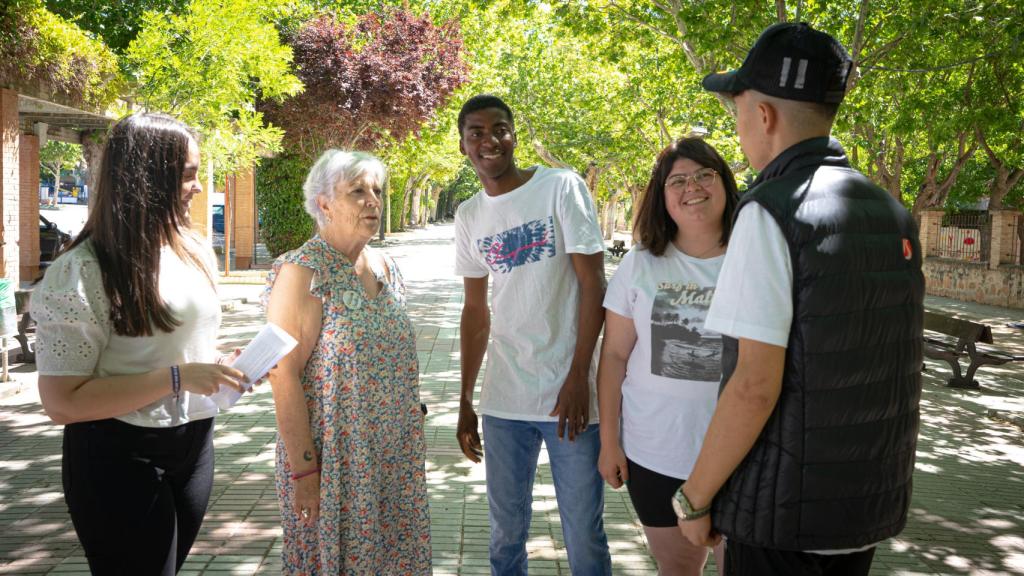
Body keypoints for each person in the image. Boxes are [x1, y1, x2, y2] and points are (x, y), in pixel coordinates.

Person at [676, 23, 924, 576]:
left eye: (736, 109)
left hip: (782, 519)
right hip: (864, 506)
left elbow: (754, 386)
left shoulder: (770, 212)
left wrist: (693, 497)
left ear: (763, 115)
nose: (736, 126)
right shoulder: (890, 212)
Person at [32, 112, 248, 575]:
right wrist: (177, 377)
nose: (197, 186)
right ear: (149, 179)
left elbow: (173, 349)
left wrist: (217, 365)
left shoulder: (190, 249)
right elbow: (61, 403)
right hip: (118, 454)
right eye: (188, 175)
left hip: (194, 442)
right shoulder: (82, 270)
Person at [454, 94, 612, 575]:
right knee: (505, 537)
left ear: (514, 136)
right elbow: (475, 311)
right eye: (476, 133)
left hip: (570, 398)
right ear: (463, 147)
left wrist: (577, 377)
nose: (489, 140)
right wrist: (465, 398)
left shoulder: (560, 187)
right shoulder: (469, 216)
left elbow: (593, 283)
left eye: (499, 129)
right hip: (504, 400)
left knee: (583, 534)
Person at [264, 149, 430, 574]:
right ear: (323, 204)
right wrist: (305, 472)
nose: (373, 200)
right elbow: (282, 375)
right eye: (357, 191)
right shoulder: (302, 272)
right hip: (336, 460)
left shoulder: (385, 266)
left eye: (376, 190)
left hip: (394, 456)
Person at [597, 137, 736, 575]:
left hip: (743, 456)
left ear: (726, 185)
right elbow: (615, 356)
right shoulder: (641, 264)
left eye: (704, 175)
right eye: (678, 180)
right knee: (677, 569)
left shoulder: (759, 258)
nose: (691, 187)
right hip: (655, 453)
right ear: (663, 196)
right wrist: (609, 443)